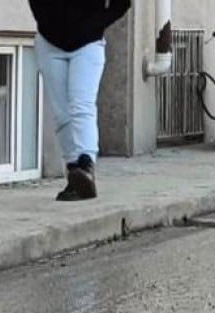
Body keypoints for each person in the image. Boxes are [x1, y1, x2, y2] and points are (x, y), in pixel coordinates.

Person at [28, 0, 132, 201]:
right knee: (62, 114)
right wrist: (45, 21)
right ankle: (74, 174)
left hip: (88, 44)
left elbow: (122, 3)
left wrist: (96, 24)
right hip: (49, 43)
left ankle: (86, 164)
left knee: (81, 105)